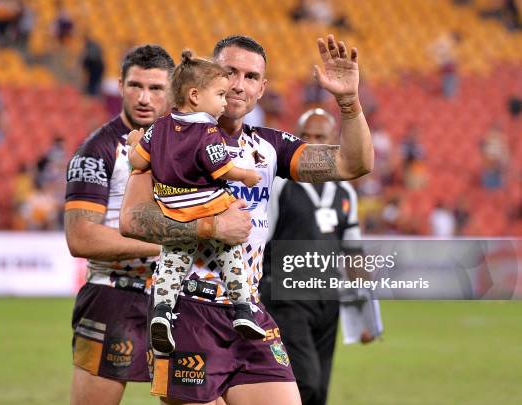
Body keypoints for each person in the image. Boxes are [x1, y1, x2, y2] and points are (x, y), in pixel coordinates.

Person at [119, 34, 373, 405]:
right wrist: (210, 227)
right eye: (230, 72)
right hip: (188, 310)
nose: (239, 85)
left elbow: (355, 163)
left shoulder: (269, 148)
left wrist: (349, 103)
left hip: (248, 312)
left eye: (251, 77)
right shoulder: (168, 136)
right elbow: (133, 220)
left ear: (261, 89)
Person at [65, 45, 251, 405]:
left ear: (176, 90)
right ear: (119, 85)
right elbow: (81, 237)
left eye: (156, 88)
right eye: (135, 86)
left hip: (182, 297)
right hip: (115, 293)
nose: (144, 98)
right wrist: (182, 240)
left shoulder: (198, 140)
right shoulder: (98, 149)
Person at [128, 51, 264, 354]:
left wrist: (133, 144)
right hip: (209, 206)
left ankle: (162, 311)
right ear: (194, 95)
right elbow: (221, 169)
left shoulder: (159, 126)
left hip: (173, 210)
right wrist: (246, 175)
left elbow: (137, 161)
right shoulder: (208, 131)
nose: (224, 102)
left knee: (172, 263)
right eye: (219, 95)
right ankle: (243, 308)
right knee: (231, 256)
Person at [260, 108, 367, 405]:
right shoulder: (280, 183)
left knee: (320, 389)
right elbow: (260, 239)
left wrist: (365, 313)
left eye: (320, 136)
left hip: (326, 298)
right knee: (304, 380)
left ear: (333, 140)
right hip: (285, 296)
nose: (312, 142)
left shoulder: (345, 191)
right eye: (305, 136)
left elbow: (353, 249)